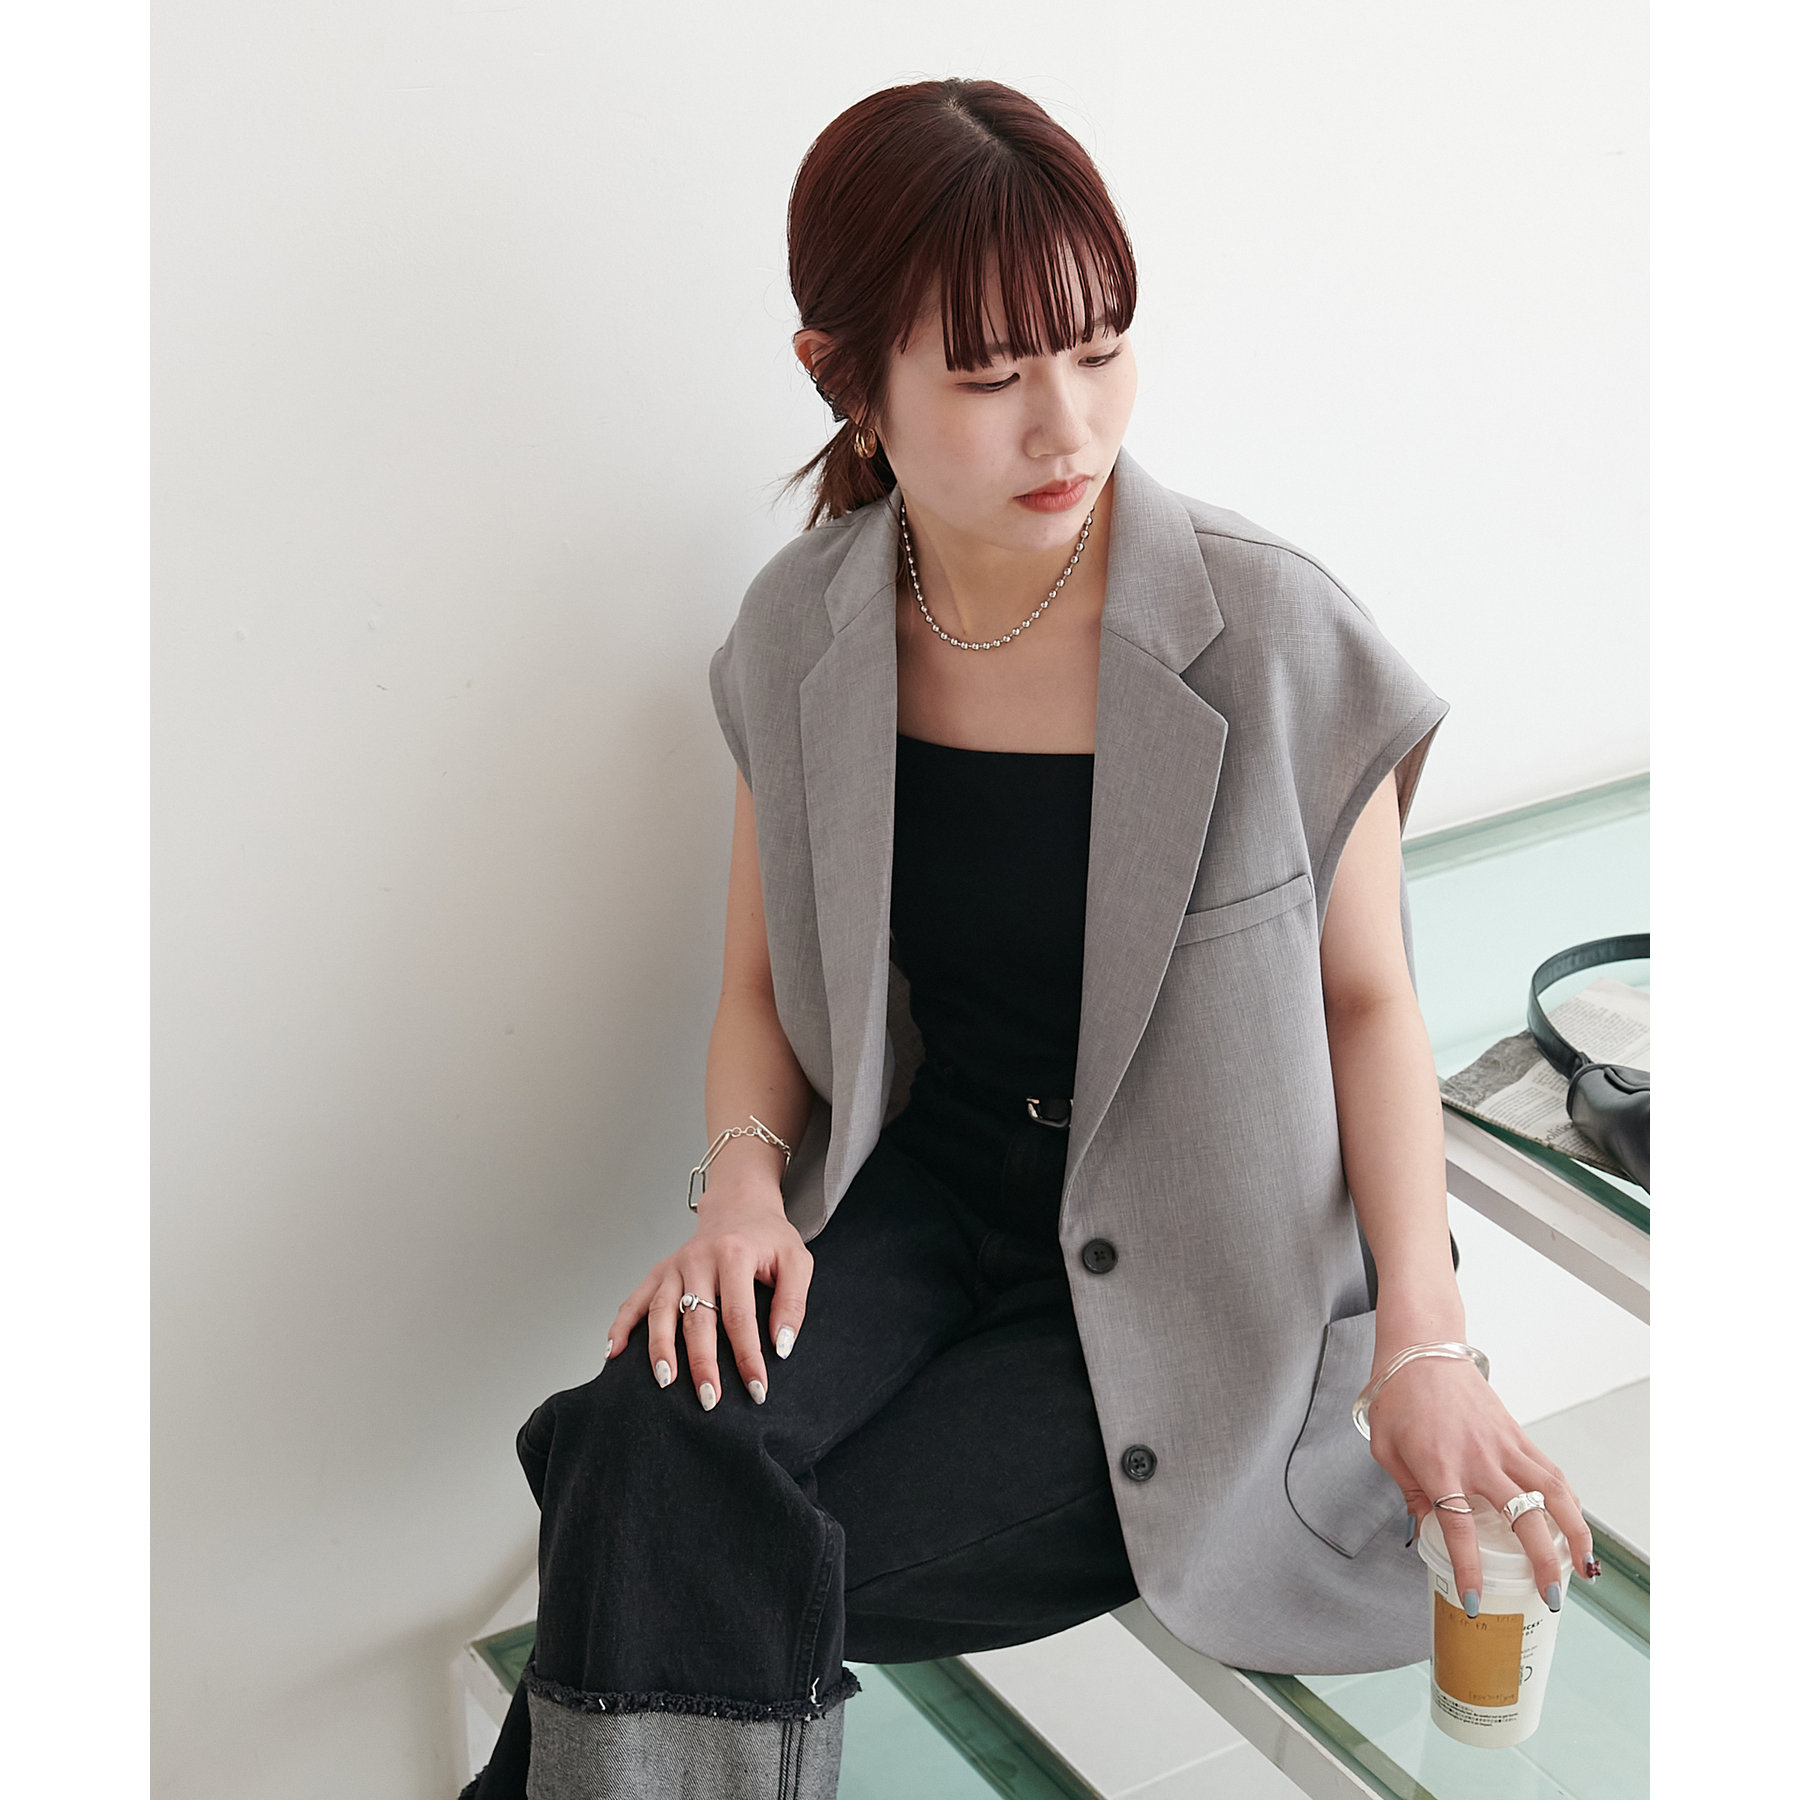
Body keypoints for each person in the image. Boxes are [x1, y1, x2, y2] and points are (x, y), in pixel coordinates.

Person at [463, 77, 1601, 1800]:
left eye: (1100, 349)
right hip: (930, 1201)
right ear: (845, 379)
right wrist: (743, 1196)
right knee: (646, 1442)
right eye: (991, 379)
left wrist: (1426, 1343)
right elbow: (760, 987)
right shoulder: (802, 635)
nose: (1067, 426)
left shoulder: (1269, 632)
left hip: (1206, 1277)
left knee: (676, 1529)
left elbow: (1369, 1005)